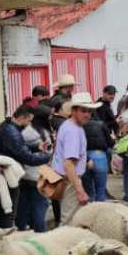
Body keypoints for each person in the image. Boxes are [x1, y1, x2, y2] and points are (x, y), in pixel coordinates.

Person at [0, 104, 52, 230]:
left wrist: (37, 147)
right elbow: (27, 157)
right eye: (29, 120)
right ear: (23, 118)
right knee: (14, 209)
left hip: (15, 174)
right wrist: (49, 157)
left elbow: (19, 148)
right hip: (12, 175)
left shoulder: (8, 126)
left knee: (19, 208)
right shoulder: (12, 132)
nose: (29, 124)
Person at [43, 91, 95, 225]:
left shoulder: (70, 126)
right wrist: (80, 190)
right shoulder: (72, 130)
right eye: (84, 110)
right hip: (70, 180)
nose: (87, 114)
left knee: (71, 220)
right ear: (74, 110)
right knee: (70, 222)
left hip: (66, 179)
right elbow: (69, 164)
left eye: (89, 111)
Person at [83, 107, 113, 202]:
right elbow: (110, 142)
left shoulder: (79, 126)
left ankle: (89, 212)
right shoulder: (101, 124)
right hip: (100, 156)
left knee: (88, 190)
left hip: (85, 157)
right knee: (100, 189)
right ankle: (99, 212)